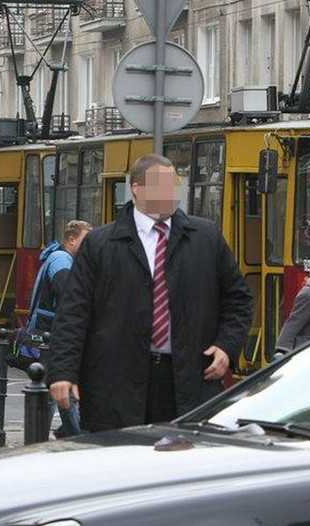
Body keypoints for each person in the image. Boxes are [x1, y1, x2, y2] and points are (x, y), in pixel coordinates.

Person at [47, 153, 253, 432]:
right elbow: (73, 312)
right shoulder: (101, 244)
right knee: (122, 466)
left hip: (189, 381)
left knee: (179, 467)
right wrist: (63, 371)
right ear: (137, 188)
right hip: (116, 384)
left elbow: (238, 299)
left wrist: (227, 346)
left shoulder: (205, 238)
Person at [25, 219, 91, 438]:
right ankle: (73, 432)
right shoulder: (61, 259)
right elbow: (66, 292)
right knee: (56, 382)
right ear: (71, 240)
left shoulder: (60, 257)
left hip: (49, 331)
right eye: (85, 240)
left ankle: (64, 430)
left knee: (55, 382)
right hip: (50, 332)